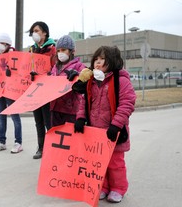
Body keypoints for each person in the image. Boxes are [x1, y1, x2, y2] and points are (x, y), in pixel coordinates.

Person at [73, 46, 136, 203]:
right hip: (95, 133)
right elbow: (84, 102)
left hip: (113, 132)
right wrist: (80, 118)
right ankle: (104, 187)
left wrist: (116, 125)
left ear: (112, 62)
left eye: (102, 60)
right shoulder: (92, 82)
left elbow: (127, 104)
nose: (98, 63)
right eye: (96, 59)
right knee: (100, 163)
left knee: (115, 164)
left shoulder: (121, 81)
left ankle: (118, 188)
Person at [28, 21, 56, 159]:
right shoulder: (32, 50)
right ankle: (41, 147)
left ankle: (52, 147)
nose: (35, 33)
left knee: (48, 121)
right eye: (33, 31)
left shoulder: (52, 49)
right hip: (35, 92)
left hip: (47, 91)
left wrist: (50, 74)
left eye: (37, 30)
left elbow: (56, 68)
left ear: (45, 32)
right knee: (38, 121)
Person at [0, 33, 23, 154]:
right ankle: (2, 142)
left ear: (8, 44)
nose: (0, 46)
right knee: (1, 117)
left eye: (2, 43)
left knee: (15, 117)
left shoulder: (15, 56)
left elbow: (20, 73)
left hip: (11, 91)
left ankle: (18, 142)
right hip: (0, 91)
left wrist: (12, 73)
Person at [50, 35, 85, 126]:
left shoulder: (79, 66)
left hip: (71, 111)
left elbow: (85, 83)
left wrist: (77, 76)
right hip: (55, 109)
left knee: (69, 138)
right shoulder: (55, 67)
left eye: (63, 50)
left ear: (72, 51)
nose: (60, 53)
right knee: (55, 138)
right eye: (58, 51)